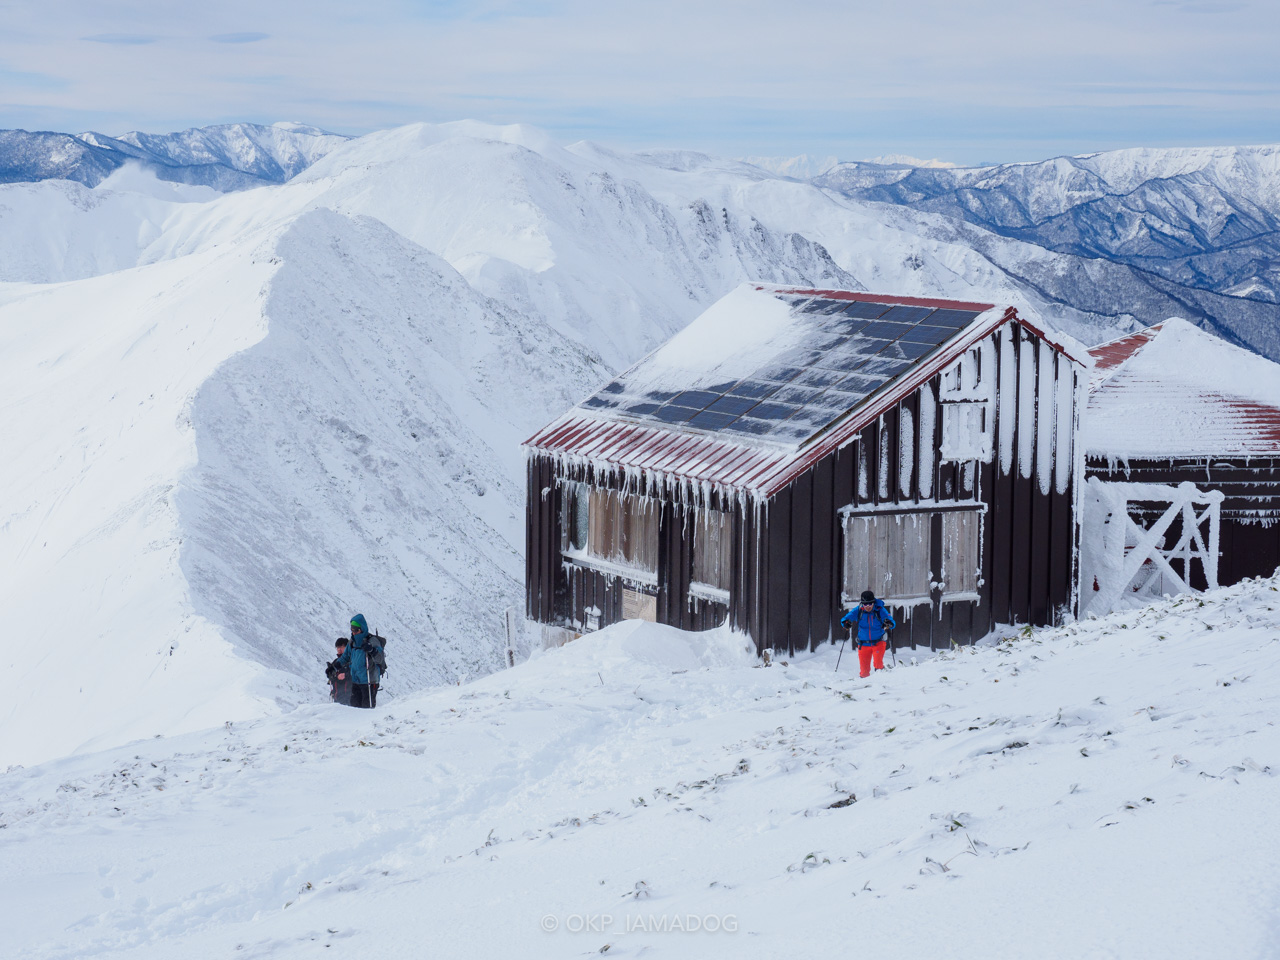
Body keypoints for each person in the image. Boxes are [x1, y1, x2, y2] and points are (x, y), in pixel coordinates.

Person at [840, 590, 897, 678]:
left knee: (878, 665)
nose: (867, 607)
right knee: (864, 672)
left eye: (870, 604)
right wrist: (846, 623)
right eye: (865, 604)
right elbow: (845, 618)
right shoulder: (859, 610)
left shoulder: (880, 610)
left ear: (873, 603)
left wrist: (888, 623)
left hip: (878, 642)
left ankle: (880, 681)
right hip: (863, 644)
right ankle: (865, 688)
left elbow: (891, 622)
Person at [338, 614, 380, 708]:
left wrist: (372, 650)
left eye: (356, 630)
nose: (354, 633)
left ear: (362, 629)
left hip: (370, 682)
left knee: (367, 710)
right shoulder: (352, 642)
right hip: (356, 682)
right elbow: (345, 658)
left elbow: (380, 659)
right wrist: (334, 667)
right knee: (355, 710)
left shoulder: (372, 641)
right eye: (352, 630)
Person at [325, 638, 351, 705]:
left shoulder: (352, 660)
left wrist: (346, 675)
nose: (339, 649)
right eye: (338, 647)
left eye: (342, 647)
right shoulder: (336, 662)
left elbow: (356, 673)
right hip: (337, 696)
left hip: (350, 696)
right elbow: (332, 677)